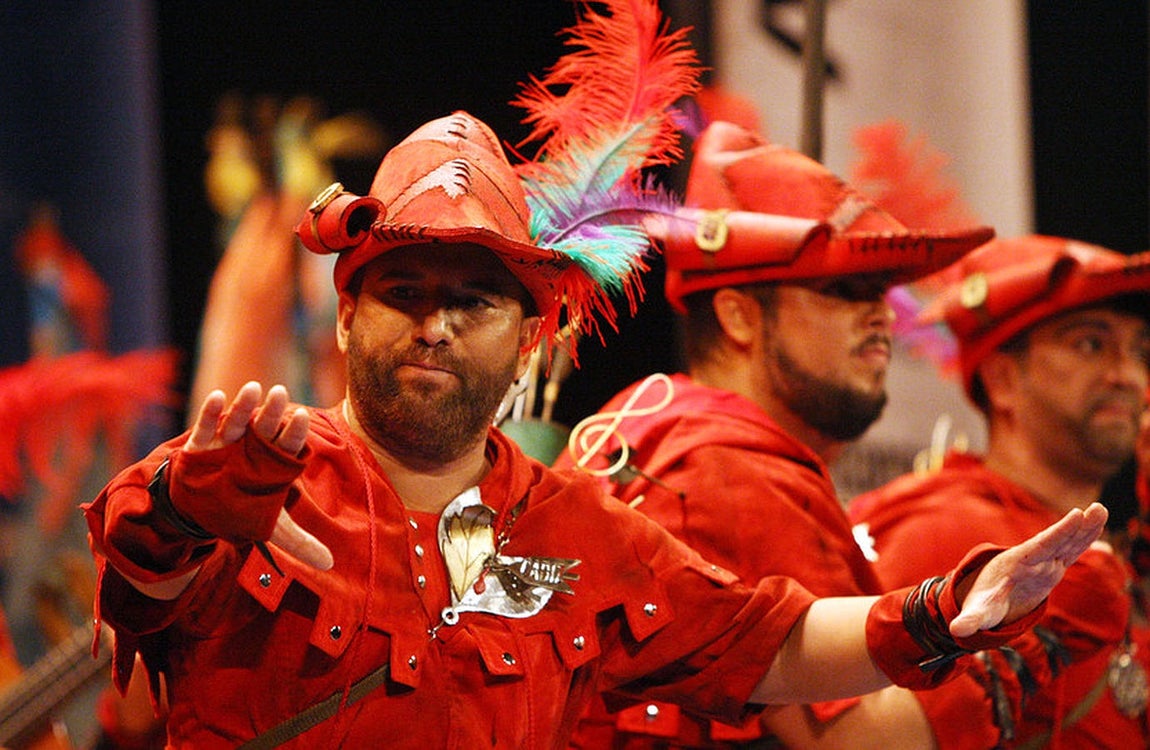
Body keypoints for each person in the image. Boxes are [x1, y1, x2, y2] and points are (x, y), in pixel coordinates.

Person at [82, 112, 1106, 749]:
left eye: (474, 300)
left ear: (527, 337)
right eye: (403, 291)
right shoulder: (245, 471)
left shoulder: (576, 532)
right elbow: (135, 597)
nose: (435, 322)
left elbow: (765, 642)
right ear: (347, 316)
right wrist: (176, 521)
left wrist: (940, 611)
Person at [552, 120, 1037, 749]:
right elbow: (855, 740)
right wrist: (1029, 655)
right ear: (738, 316)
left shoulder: (652, 426)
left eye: (881, 291)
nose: (882, 313)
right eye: (842, 289)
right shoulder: (726, 469)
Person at [849, 235, 1150, 747]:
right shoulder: (939, 532)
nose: (1127, 375)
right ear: (1002, 379)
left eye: (1140, 350)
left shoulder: (1122, 553)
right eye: (1090, 344)